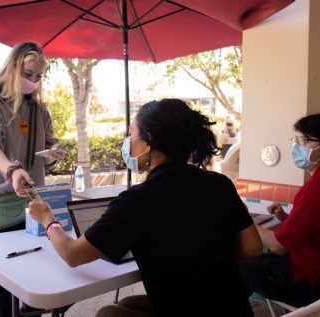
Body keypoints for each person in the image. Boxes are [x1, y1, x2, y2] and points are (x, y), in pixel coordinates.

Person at [29, 98, 263, 316]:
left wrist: (48, 219)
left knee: (107, 313)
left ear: (148, 142)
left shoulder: (137, 200)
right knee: (126, 305)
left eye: (131, 134)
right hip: (234, 308)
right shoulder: (219, 183)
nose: (127, 142)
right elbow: (252, 247)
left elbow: (72, 254)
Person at [0, 41, 66, 317]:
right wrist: (12, 170)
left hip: (34, 202)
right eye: (28, 73)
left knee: (35, 267)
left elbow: (49, 144)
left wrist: (53, 153)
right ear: (12, 68)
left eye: (39, 76)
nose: (33, 81)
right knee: (1, 275)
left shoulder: (39, 109)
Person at [238, 113, 320, 307]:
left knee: (232, 268)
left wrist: (242, 221)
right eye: (296, 140)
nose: (296, 147)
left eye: (304, 141)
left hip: (311, 283)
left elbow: (280, 247)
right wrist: (285, 218)